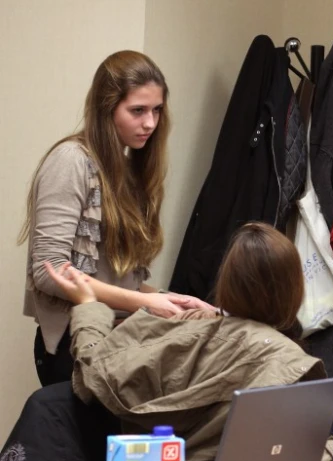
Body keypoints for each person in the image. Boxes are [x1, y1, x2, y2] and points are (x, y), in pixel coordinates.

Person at [42, 222, 326, 461]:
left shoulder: (182, 330)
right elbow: (303, 451)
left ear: (227, 281)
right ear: (294, 289)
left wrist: (88, 306)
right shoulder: (294, 363)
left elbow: (97, 371)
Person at [18, 50, 210, 387]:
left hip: (119, 340)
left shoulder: (129, 171)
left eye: (157, 110)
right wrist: (146, 302)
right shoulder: (71, 160)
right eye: (137, 111)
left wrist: (169, 299)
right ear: (107, 109)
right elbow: (50, 271)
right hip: (73, 345)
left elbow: (121, 280)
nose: (150, 123)